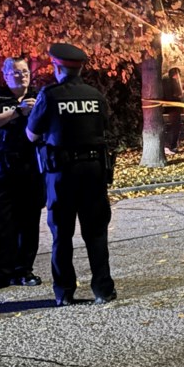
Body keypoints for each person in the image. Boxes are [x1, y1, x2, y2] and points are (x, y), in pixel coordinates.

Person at [26, 43, 117, 307]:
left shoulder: (49, 95)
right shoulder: (95, 95)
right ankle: (103, 289)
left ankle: (64, 292)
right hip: (94, 172)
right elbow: (105, 127)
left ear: (57, 66)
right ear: (79, 68)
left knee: (62, 234)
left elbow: (32, 134)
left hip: (62, 174)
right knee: (96, 233)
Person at [0, 57, 46, 293]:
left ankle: (24, 271)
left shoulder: (39, 96)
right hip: (1, 168)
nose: (21, 76)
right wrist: (17, 112)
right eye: (15, 72)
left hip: (31, 168)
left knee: (29, 222)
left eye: (24, 71)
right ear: (5, 75)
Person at [161, 67, 183, 155]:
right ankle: (169, 145)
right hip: (172, 107)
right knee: (174, 126)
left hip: (174, 106)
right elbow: (170, 95)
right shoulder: (169, 82)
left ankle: (172, 145)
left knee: (176, 126)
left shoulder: (171, 81)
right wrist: (178, 96)